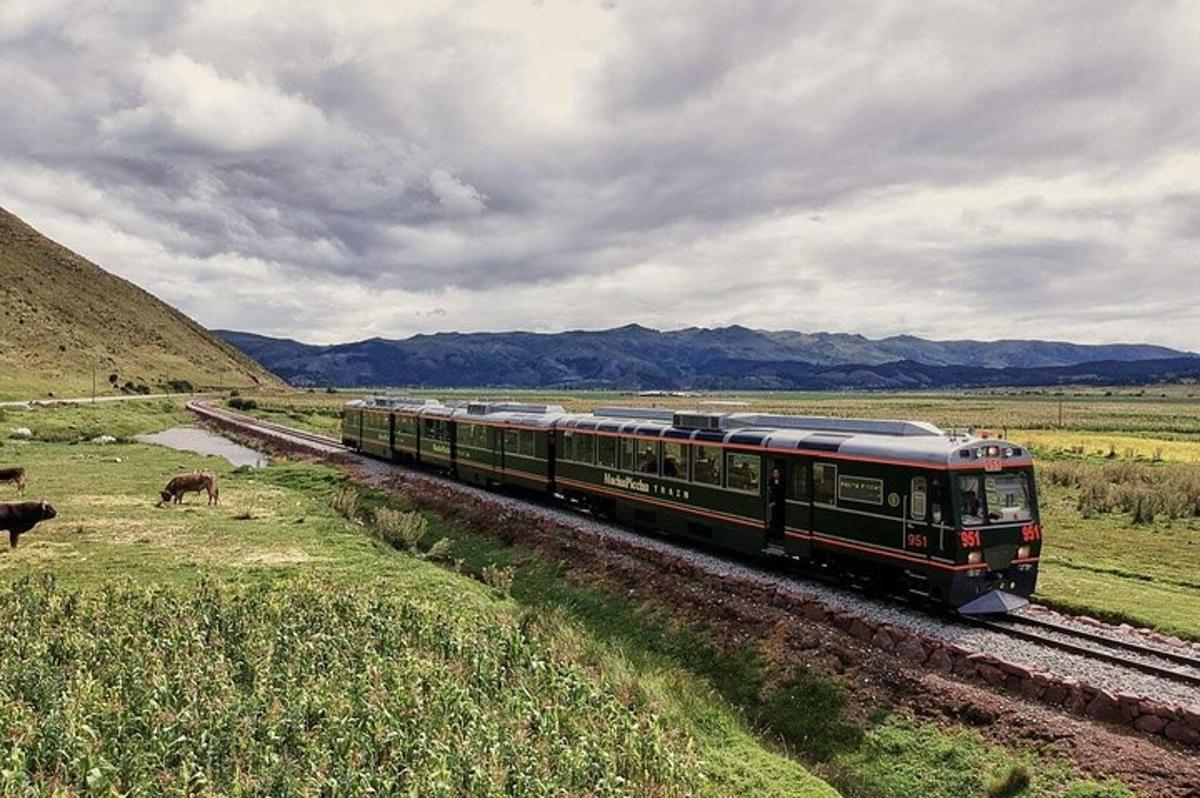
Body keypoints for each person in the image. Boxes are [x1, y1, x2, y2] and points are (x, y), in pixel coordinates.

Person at [766, 466, 786, 543]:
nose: (775, 474)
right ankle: (773, 537)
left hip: (780, 505)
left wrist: (776, 502)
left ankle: (779, 537)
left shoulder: (782, 482)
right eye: (774, 473)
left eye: (776, 473)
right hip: (773, 504)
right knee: (773, 521)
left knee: (779, 521)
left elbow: (781, 494)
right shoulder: (771, 481)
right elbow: (770, 491)